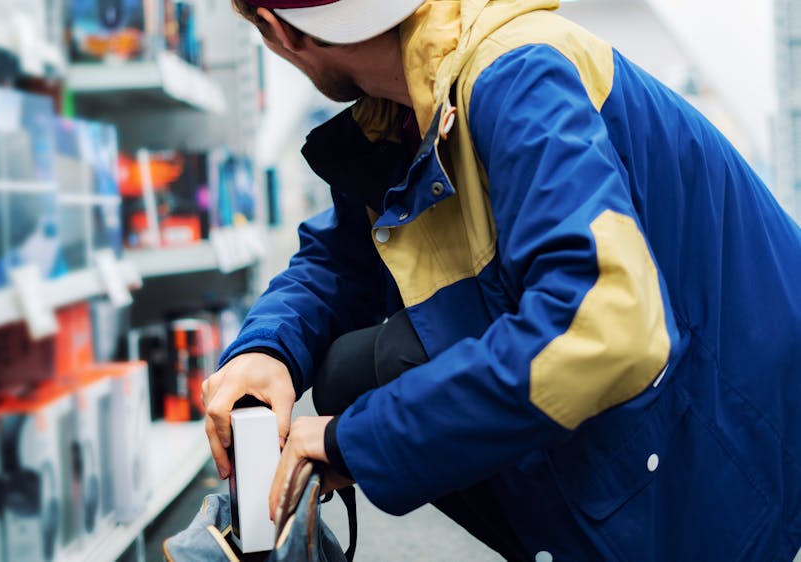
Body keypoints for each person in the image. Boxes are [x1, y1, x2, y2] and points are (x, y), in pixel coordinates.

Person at [201, 0, 801, 559]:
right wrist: (267, 348)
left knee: (375, 367)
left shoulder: (518, 77)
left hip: (738, 470)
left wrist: (356, 441)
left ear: (276, 31)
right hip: (663, 461)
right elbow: (341, 258)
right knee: (354, 368)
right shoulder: (405, 108)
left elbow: (602, 328)